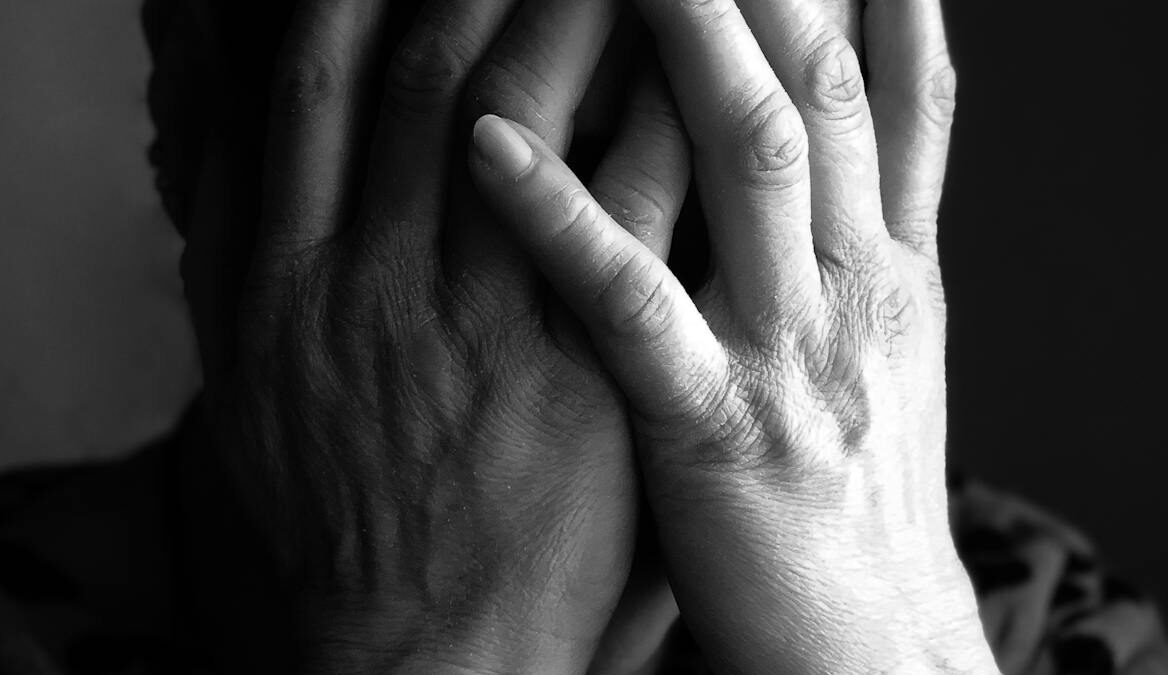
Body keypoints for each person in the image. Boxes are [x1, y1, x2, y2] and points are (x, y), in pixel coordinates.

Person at [1, 0, 1165, 673]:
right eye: (499, 198)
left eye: (738, 163)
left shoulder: (1041, 623)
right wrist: (432, 637)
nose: (632, 294)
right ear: (204, 147)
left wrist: (888, 638)